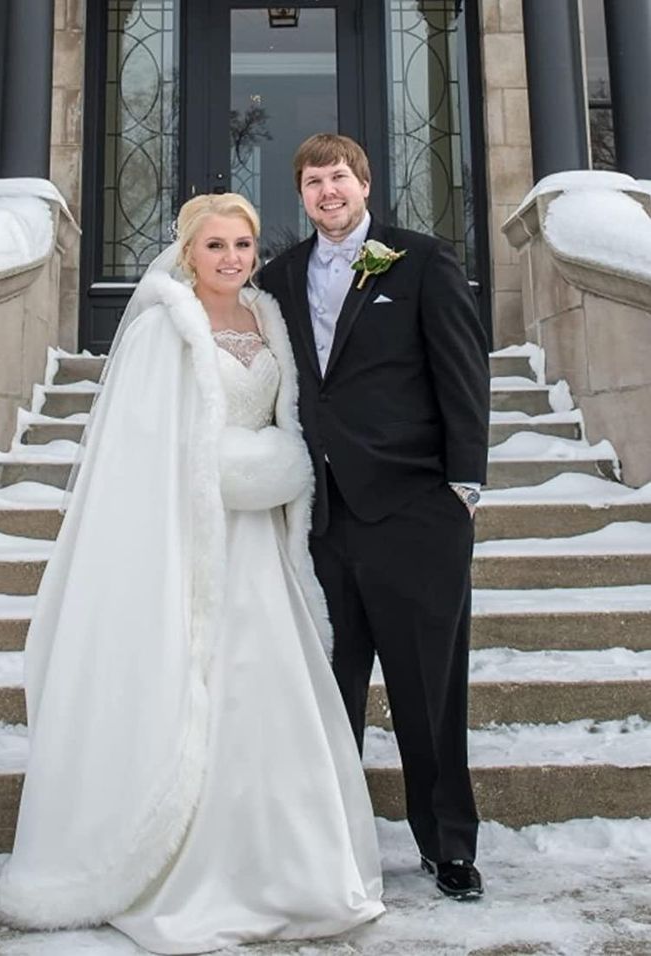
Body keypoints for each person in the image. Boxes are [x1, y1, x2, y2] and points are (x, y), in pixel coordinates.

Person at [0, 192, 384, 952]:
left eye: (242, 244)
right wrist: (233, 469)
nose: (232, 259)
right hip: (189, 540)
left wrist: (277, 466)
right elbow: (141, 450)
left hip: (261, 546)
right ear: (187, 251)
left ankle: (283, 864)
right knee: (196, 683)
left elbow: (287, 422)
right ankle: (178, 859)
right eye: (215, 246)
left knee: (269, 687)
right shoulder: (162, 330)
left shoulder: (268, 318)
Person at [259, 134, 491, 900]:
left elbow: (461, 371)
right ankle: (331, 844)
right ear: (300, 194)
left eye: (338, 178)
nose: (327, 191)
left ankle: (447, 845)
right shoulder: (280, 277)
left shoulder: (418, 259)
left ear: (364, 183)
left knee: (428, 686)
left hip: (415, 509)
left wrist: (463, 485)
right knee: (329, 690)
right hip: (321, 519)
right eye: (312, 181)